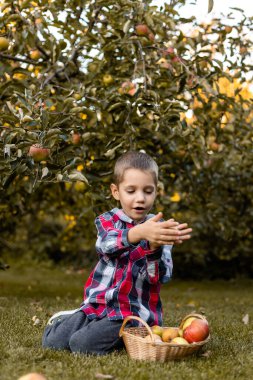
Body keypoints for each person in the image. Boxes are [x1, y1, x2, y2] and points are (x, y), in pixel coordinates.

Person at [42, 151, 192, 355]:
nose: (140, 198)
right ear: (116, 191)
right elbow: (105, 245)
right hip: (97, 305)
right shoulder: (107, 220)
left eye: (148, 191)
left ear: (156, 191)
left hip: (130, 314)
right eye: (131, 191)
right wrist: (138, 233)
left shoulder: (159, 231)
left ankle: (130, 335)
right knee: (52, 341)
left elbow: (158, 277)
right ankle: (77, 321)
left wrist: (154, 248)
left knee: (81, 345)